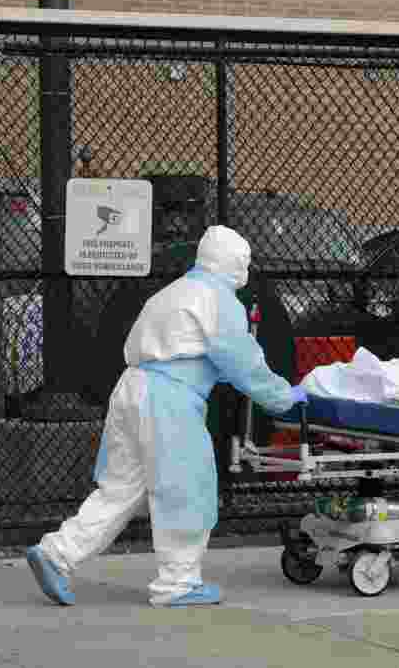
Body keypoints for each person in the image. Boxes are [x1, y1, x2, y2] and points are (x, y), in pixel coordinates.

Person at [26, 225, 307, 608]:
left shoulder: (171, 293)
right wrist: (283, 396)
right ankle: (178, 581)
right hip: (169, 401)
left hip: (132, 389)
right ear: (236, 263)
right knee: (185, 486)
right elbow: (243, 362)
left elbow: (183, 350)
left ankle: (57, 552)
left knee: (121, 487)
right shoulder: (219, 300)